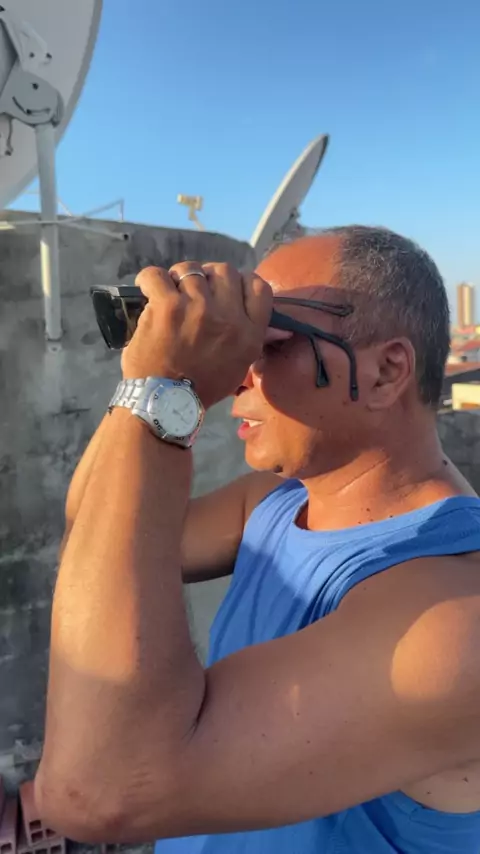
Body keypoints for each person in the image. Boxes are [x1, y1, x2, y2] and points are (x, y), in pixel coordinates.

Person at [36, 226, 480, 854]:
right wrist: (148, 378)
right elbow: (95, 534)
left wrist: (168, 387)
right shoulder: (275, 503)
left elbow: (97, 790)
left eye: (270, 339)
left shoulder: (452, 619)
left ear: (386, 372)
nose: (240, 374)